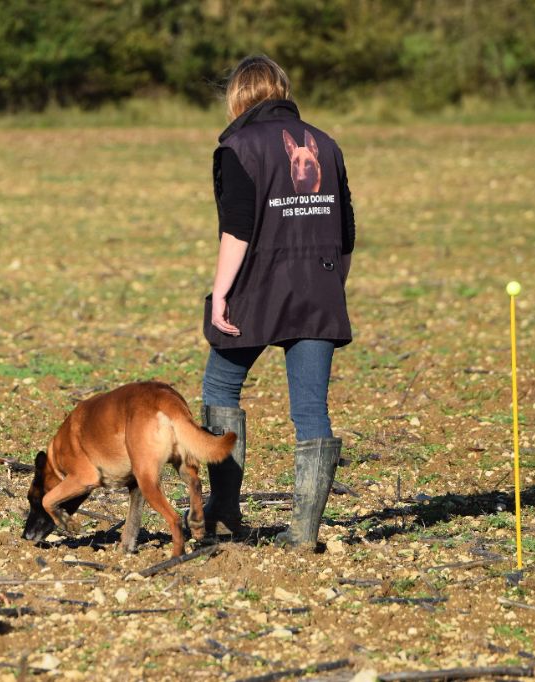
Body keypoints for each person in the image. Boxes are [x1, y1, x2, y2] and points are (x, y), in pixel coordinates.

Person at [200, 55, 356, 550]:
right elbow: (345, 232)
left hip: (256, 290)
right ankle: (303, 532)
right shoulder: (326, 145)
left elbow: (237, 230)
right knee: (311, 409)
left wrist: (221, 291)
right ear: (282, 91)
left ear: (238, 97)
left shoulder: (236, 146)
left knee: (221, 385)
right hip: (319, 288)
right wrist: (333, 285)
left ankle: (224, 512)